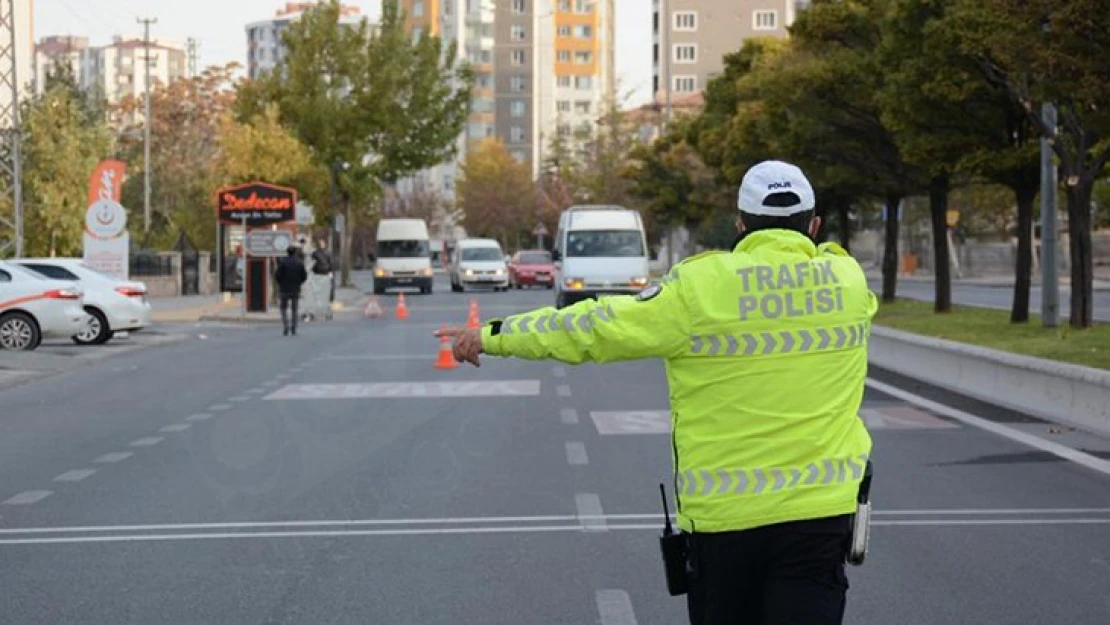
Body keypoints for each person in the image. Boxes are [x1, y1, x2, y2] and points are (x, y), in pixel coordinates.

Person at [437, 160, 876, 625]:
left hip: (725, 526)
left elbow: (592, 328)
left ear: (740, 224)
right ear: (814, 224)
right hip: (821, 520)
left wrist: (492, 335)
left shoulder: (699, 288)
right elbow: (830, 258)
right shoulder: (848, 284)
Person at [274, 245, 308, 336]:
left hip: (284, 289)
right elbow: (304, 276)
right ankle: (294, 328)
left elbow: (277, 275)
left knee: (283, 308)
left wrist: (281, 283)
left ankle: (285, 325)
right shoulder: (299, 263)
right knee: (294, 309)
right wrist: (299, 282)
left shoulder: (283, 262)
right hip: (295, 289)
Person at [312, 238, 335, 306]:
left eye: (321, 244)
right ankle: (328, 301)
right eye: (320, 244)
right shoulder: (327, 253)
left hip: (320, 273)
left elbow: (331, 263)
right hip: (323, 272)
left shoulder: (315, 253)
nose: (321, 245)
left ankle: (322, 301)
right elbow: (331, 263)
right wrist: (331, 272)